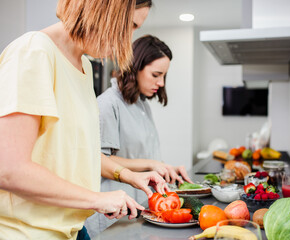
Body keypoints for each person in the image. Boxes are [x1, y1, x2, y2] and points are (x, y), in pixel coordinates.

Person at [0, 0, 166, 239]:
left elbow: (78, 153)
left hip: (73, 229)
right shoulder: (33, 51)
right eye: (129, 25)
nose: (127, 41)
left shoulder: (85, 67)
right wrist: (97, 199)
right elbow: (9, 169)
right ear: (104, 9)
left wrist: (129, 176)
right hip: (29, 232)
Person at [85, 35, 193, 237]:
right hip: (113, 217)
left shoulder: (141, 104)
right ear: (135, 68)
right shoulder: (108, 104)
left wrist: (165, 167)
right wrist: (151, 164)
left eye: (164, 76)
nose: (161, 83)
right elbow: (98, 161)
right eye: (156, 75)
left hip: (139, 209)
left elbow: (142, 154)